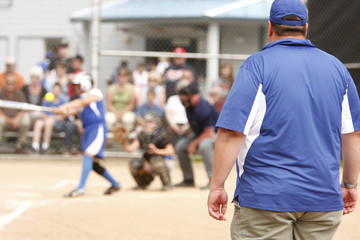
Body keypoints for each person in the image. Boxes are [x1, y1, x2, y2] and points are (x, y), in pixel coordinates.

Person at [207, 0, 360, 239]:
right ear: (306, 28)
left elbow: (231, 133)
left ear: (270, 27)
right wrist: (349, 185)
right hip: (322, 199)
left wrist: (217, 186)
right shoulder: (337, 69)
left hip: (266, 198)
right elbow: (353, 134)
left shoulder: (257, 66)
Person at [52, 73, 121, 197]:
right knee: (93, 162)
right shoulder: (81, 100)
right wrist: (59, 111)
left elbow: (83, 102)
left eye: (78, 85)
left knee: (88, 154)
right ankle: (115, 183)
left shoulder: (95, 93)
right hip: (88, 130)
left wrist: (63, 106)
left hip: (97, 128)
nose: (76, 88)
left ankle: (81, 187)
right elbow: (72, 110)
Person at [174, 83, 218, 190]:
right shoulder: (188, 107)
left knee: (204, 146)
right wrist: (189, 139)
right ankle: (188, 179)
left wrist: (194, 143)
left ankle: (213, 181)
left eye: (186, 95)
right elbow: (195, 126)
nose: (184, 98)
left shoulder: (204, 108)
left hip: (217, 134)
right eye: (182, 95)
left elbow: (209, 132)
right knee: (180, 146)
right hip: (200, 134)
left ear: (195, 95)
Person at [121, 112, 174, 191]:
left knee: (156, 161)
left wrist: (156, 150)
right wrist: (124, 144)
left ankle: (167, 184)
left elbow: (171, 151)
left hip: (164, 161)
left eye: (151, 122)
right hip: (147, 162)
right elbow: (131, 149)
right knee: (134, 163)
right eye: (147, 122)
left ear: (157, 123)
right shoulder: (142, 134)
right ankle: (143, 183)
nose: (148, 124)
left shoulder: (162, 134)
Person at [31, 83, 67, 154]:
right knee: (38, 123)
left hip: (57, 123)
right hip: (46, 119)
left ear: (60, 92)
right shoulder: (47, 100)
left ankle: (45, 146)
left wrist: (52, 118)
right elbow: (43, 113)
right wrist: (49, 117)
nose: (55, 92)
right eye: (54, 90)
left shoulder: (63, 102)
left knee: (49, 122)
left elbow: (62, 117)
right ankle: (35, 146)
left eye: (57, 90)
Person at [0, 74, 31, 153]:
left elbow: (23, 109)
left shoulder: (19, 94)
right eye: (8, 83)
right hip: (4, 119)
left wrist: (17, 119)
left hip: (17, 119)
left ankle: (20, 147)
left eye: (12, 83)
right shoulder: (1, 93)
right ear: (5, 83)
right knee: (0, 121)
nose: (10, 85)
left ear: (15, 84)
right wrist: (9, 120)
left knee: (26, 121)